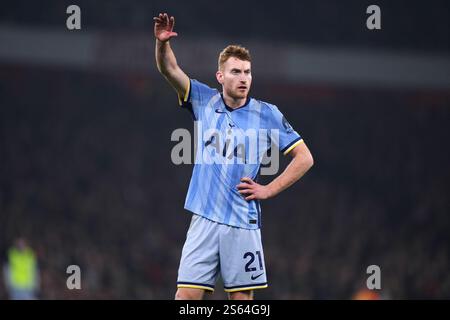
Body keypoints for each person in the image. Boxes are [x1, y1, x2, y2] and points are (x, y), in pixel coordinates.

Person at [154, 13, 314, 300]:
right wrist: (162, 43)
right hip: (203, 219)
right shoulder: (204, 100)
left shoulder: (267, 114)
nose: (243, 78)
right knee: (185, 298)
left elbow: (304, 158)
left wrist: (268, 189)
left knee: (240, 302)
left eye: (247, 72)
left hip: (241, 223)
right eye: (236, 72)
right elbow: (170, 70)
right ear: (220, 76)